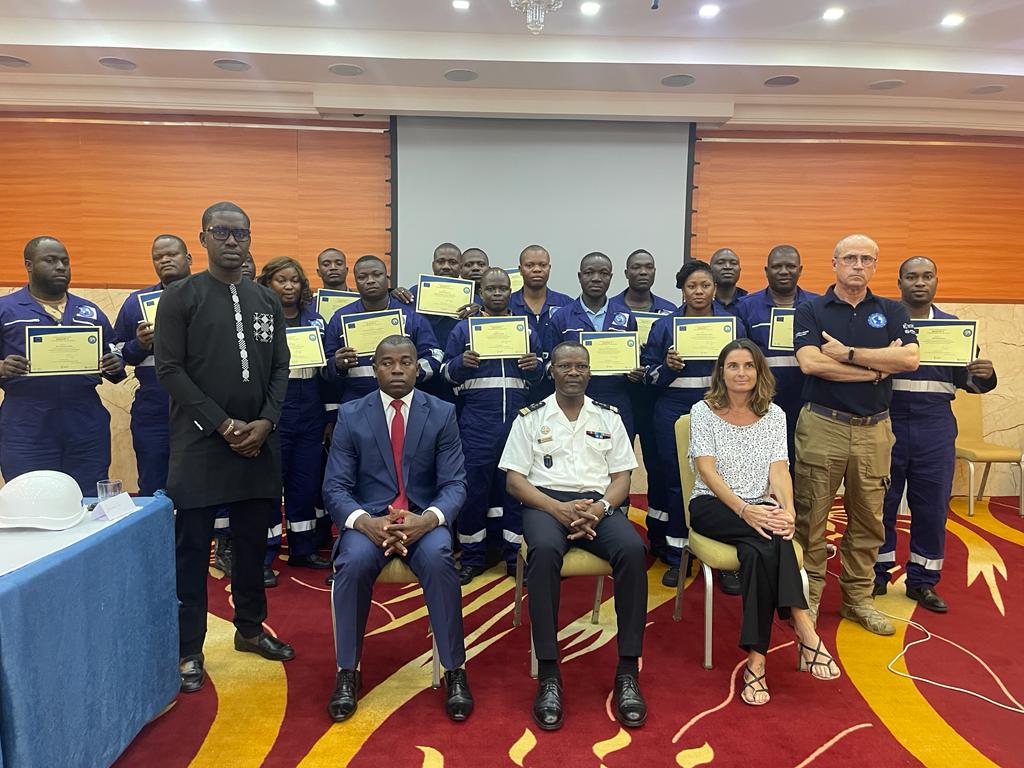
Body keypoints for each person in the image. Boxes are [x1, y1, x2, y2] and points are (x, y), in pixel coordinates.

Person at [155, 201, 295, 694]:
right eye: (221, 232)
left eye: (241, 233)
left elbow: (280, 366)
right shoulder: (180, 297)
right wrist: (223, 424)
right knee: (192, 549)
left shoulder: (266, 300)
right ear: (203, 239)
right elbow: (169, 370)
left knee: (253, 545)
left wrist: (265, 422)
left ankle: (250, 630)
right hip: (199, 443)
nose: (232, 241)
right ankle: (188, 649)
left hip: (258, 443)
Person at [323, 335, 473, 723]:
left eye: (405, 362)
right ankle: (347, 670)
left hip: (422, 520)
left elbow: (455, 484)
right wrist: (365, 522)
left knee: (440, 558)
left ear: (416, 368)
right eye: (387, 363)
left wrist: (429, 520)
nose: (396, 370)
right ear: (374, 369)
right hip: (369, 521)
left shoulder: (441, 412)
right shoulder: (351, 414)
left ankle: (455, 670)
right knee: (353, 563)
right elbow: (335, 486)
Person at [500, 341, 648, 731]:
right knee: (544, 551)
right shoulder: (530, 418)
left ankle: (627, 671)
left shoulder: (609, 417)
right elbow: (515, 481)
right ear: (551, 371)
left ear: (590, 371)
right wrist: (557, 509)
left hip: (598, 504)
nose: (573, 372)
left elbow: (622, 478)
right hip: (545, 504)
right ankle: (549, 674)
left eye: (580, 366)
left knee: (634, 550)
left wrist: (599, 509)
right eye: (565, 365)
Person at [688, 339, 841, 706]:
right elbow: (706, 471)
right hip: (713, 506)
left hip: (761, 509)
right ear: (721, 372)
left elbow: (779, 470)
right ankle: (802, 624)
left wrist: (789, 512)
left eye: (749, 366)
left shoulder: (774, 415)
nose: (741, 373)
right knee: (772, 537)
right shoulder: (703, 411)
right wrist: (744, 509)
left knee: (760, 551)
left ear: (760, 372)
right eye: (733, 366)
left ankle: (756, 661)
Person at [793, 234, 919, 636]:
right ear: (834, 263)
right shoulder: (811, 309)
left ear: (876, 266)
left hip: (874, 430)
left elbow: (909, 358)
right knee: (811, 516)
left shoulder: (892, 309)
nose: (858, 265)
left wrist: (847, 354)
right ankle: (809, 597)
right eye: (850, 258)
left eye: (867, 259)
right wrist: (878, 369)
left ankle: (858, 599)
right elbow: (811, 364)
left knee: (868, 519)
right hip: (822, 425)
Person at [873, 256, 997, 612]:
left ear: (936, 282)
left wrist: (985, 375)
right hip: (887, 423)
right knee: (880, 503)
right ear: (899, 283)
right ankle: (877, 573)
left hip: (934, 426)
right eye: (911, 276)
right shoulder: (883, 322)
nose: (919, 283)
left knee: (931, 507)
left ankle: (922, 581)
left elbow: (968, 382)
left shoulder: (954, 328)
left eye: (927, 276)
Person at [642, 260, 747, 589]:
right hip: (673, 412)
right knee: (677, 482)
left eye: (705, 285)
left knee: (726, 481)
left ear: (715, 288)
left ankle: (725, 560)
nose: (699, 292)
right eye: (692, 286)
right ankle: (679, 556)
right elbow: (648, 377)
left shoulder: (733, 325)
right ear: (682, 290)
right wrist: (667, 367)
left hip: (722, 410)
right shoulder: (665, 326)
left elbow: (748, 370)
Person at [0, 237, 125, 494]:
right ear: (29, 265)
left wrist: (115, 363)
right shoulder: (6, 310)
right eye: (50, 260)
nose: (60, 267)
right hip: (26, 422)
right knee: (30, 498)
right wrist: (1, 367)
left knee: (87, 497)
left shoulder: (89, 312)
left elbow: (114, 354)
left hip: (84, 421)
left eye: (65, 262)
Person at [443, 267, 544, 584]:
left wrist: (535, 367)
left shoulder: (525, 328)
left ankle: (515, 558)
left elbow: (541, 375)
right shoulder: (464, 330)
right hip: (477, 422)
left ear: (511, 291)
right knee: (473, 492)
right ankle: (472, 558)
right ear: (480, 292)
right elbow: (445, 373)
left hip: (517, 421)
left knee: (516, 491)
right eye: (491, 288)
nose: (497, 293)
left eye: (503, 288)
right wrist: (460, 364)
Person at [257, 257, 333, 576]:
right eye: (281, 280)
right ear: (268, 284)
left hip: (311, 409)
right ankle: (264, 556)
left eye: (294, 280)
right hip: (275, 410)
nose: (289, 286)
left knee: (305, 482)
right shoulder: (259, 320)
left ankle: (303, 549)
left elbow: (327, 371)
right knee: (270, 485)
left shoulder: (316, 320)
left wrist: (328, 415)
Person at [114, 235, 193, 496]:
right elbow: (118, 353)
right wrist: (139, 344)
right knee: (153, 484)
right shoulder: (136, 302)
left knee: (204, 484)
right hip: (154, 409)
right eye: (158, 257)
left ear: (188, 258)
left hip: (202, 407)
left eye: (172, 254)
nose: (165, 260)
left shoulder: (210, 297)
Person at [615, 249, 677, 560]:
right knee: (615, 470)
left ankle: (659, 536)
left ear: (655, 272)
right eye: (636, 267)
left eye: (648, 267)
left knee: (660, 469)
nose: (642, 272)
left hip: (656, 401)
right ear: (626, 272)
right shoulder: (610, 310)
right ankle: (616, 536)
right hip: (619, 399)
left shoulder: (669, 312)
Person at [734, 245, 819, 463]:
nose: (783, 271)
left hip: (808, 398)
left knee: (802, 460)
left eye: (790, 266)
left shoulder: (817, 305)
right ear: (766, 270)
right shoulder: (745, 306)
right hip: (761, 399)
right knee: (761, 460)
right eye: (777, 266)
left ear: (800, 270)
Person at [544, 252, 642, 439]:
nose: (596, 278)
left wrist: (636, 373)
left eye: (603, 273)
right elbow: (549, 362)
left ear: (611, 277)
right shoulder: (562, 317)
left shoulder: (625, 316)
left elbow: (636, 360)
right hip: (573, 400)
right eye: (589, 273)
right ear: (580, 276)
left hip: (617, 397)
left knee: (618, 452)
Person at [323, 255, 443, 404]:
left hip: (405, 401)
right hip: (357, 402)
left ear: (387, 277)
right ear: (355, 281)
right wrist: (336, 365)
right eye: (362, 277)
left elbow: (435, 356)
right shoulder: (340, 318)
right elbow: (324, 366)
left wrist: (411, 373)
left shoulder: (411, 316)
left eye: (377, 274)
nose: (370, 280)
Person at [508, 244, 573, 401]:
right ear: (520, 269)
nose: (537, 270)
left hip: (558, 390)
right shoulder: (507, 304)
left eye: (542, 265)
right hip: (518, 387)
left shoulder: (567, 304)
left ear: (549, 268)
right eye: (530, 265)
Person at [709, 248, 747, 314]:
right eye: (720, 263)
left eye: (733, 263)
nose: (727, 267)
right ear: (710, 269)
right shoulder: (702, 302)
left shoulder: (748, 303)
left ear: (739, 270)